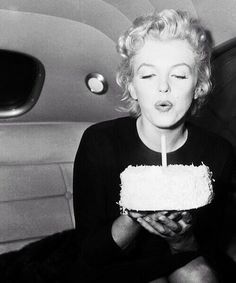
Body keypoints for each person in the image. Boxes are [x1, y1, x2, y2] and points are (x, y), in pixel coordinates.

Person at [73, 9, 236, 282]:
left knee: (199, 276)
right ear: (133, 87)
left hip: (180, 257)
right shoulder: (99, 142)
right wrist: (132, 218)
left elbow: (212, 244)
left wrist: (181, 239)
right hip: (116, 264)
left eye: (180, 76)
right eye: (148, 76)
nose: (163, 87)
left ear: (198, 86)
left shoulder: (218, 152)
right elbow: (90, 251)